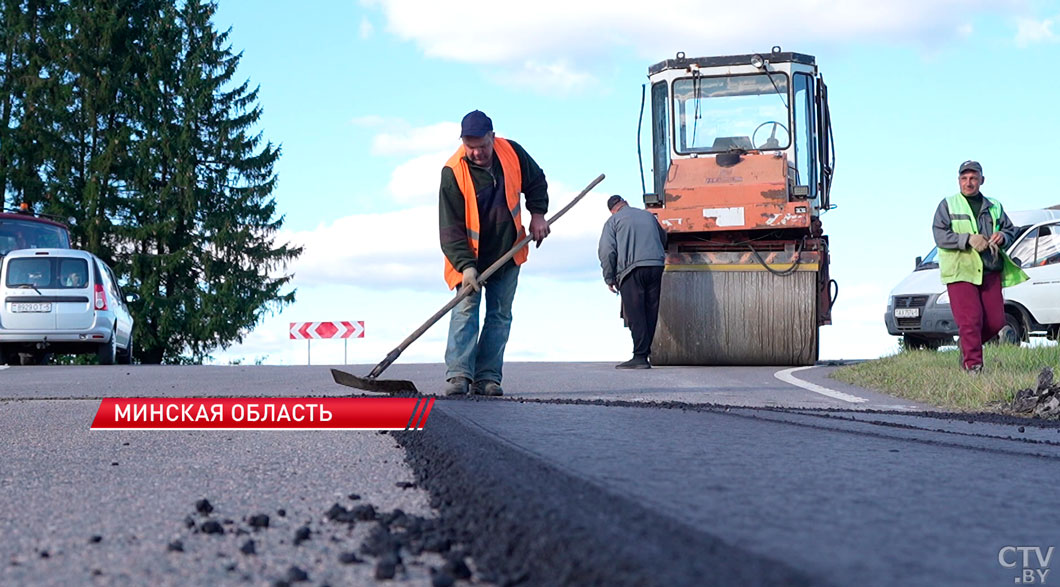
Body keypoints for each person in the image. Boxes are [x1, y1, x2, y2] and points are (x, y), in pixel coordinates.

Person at [438, 110, 550, 396]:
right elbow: (450, 228)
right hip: (470, 257)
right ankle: (459, 376)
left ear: (493, 136)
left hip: (508, 250)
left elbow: (536, 181)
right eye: (470, 145)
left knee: (500, 314)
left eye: (482, 145)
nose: (476, 152)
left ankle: (487, 377)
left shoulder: (511, 152)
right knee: (465, 310)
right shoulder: (453, 172)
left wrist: (538, 215)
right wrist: (466, 266)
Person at [932, 160, 1027, 373]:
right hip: (961, 271)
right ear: (958, 181)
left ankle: (967, 346)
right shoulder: (947, 204)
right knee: (971, 320)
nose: (969, 182)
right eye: (964, 178)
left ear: (981, 180)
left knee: (995, 322)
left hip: (990, 269)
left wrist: (1002, 236)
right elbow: (939, 235)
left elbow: (1011, 230)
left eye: (973, 178)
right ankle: (973, 366)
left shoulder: (994, 205)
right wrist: (967, 239)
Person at [598, 195, 667, 369]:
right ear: (625, 202)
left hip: (631, 269)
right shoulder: (648, 216)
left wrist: (609, 277)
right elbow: (663, 238)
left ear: (612, 209)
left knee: (635, 313)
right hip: (655, 266)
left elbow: (607, 251)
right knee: (650, 311)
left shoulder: (613, 221)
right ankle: (644, 353)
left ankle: (640, 357)